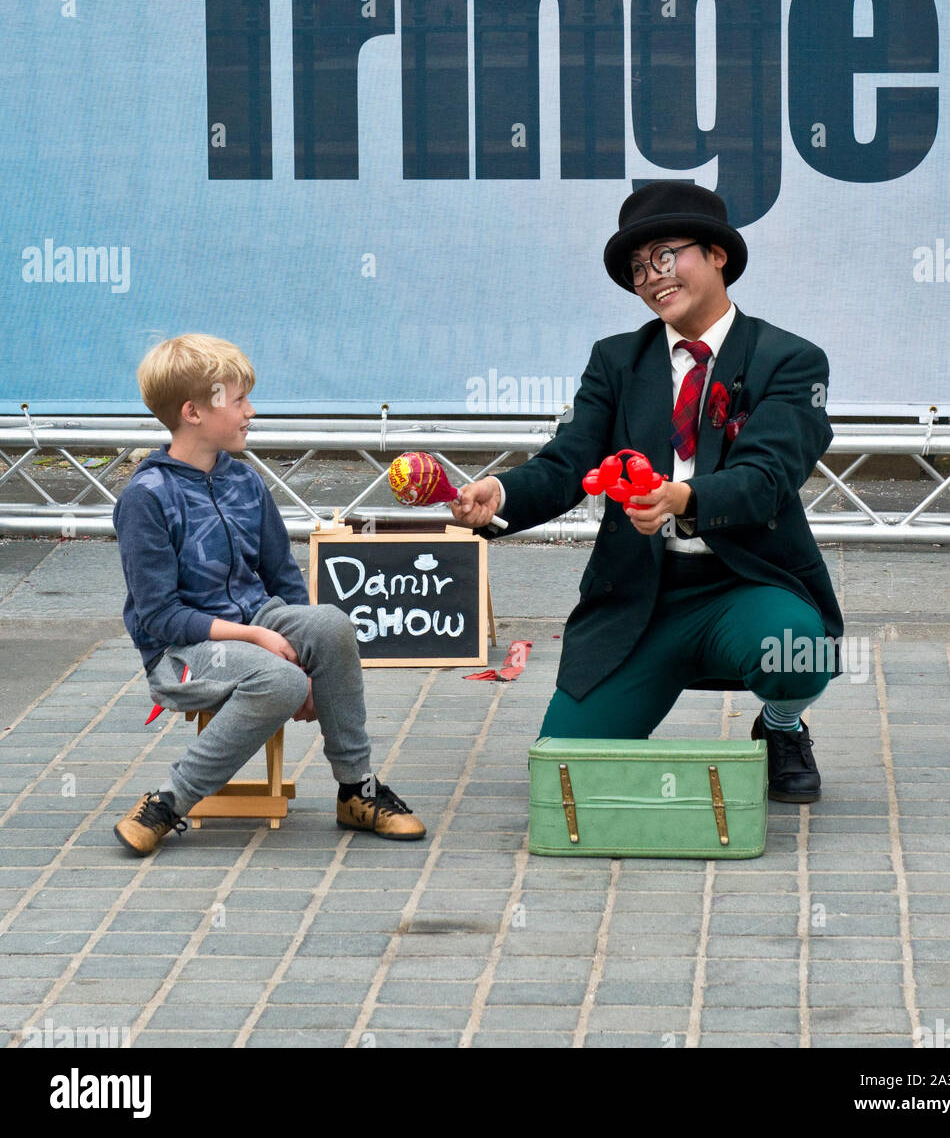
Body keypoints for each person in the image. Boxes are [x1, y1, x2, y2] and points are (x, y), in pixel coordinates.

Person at [451, 182, 843, 802]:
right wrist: (500, 494)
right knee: (565, 779)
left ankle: (781, 726)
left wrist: (681, 500)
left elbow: (768, 480)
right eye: (638, 268)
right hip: (639, 598)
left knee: (800, 654)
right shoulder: (616, 361)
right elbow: (567, 461)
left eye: (665, 256)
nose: (651, 277)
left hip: (746, 585)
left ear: (716, 254)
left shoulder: (788, 359)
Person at [111, 333, 425, 854]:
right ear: (193, 412)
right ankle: (167, 802)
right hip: (179, 653)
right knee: (277, 679)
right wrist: (259, 639)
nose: (250, 411)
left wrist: (302, 651)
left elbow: (282, 580)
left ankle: (356, 790)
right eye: (237, 401)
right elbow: (161, 616)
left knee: (330, 624)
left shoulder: (247, 483)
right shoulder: (146, 498)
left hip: (256, 621)